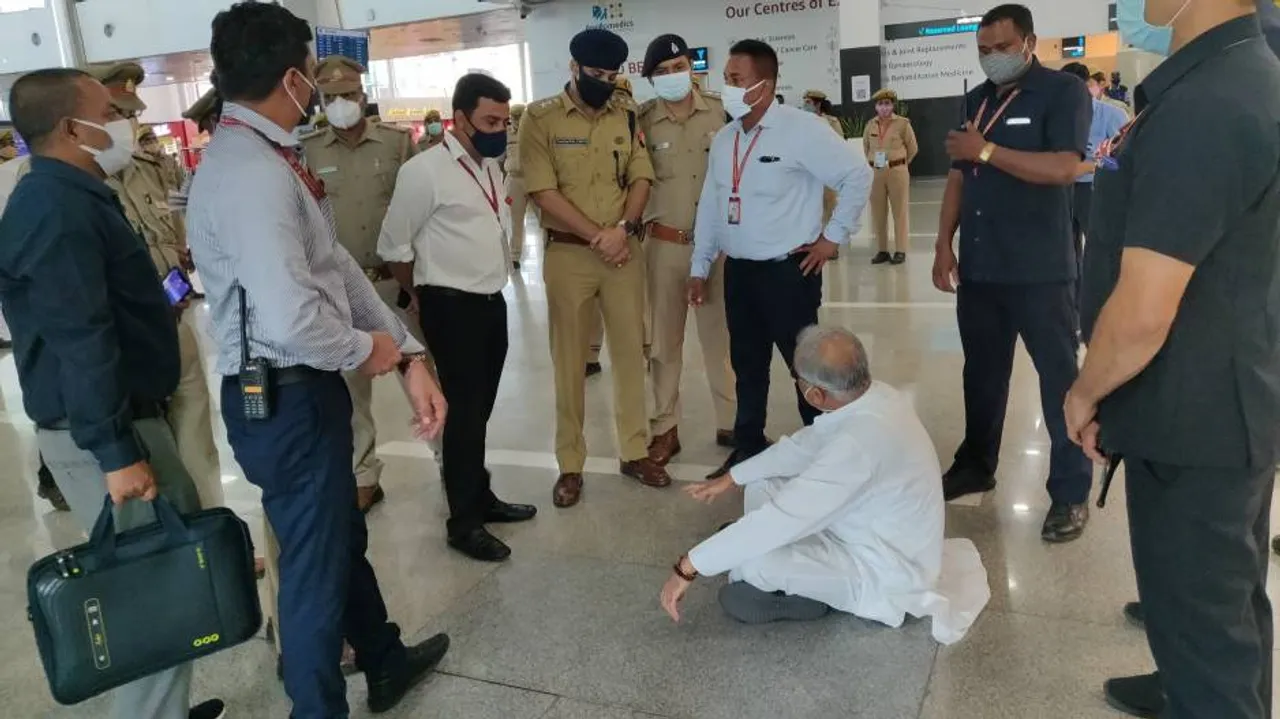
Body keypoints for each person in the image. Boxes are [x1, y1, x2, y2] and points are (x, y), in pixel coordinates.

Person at [186, 4, 450, 716]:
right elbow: (292, 317)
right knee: (311, 567)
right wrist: (375, 349)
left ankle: (385, 657)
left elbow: (332, 265)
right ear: (295, 77)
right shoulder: (251, 174)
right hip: (287, 395)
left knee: (333, 534)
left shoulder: (270, 156)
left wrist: (407, 349)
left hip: (298, 391)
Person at [1067, 2, 1280, 717]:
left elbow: (1145, 309)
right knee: (1226, 601)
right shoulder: (1236, 77)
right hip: (1220, 399)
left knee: (1207, 632)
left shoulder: (1209, 105)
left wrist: (1084, 391)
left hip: (1194, 417)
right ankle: (1184, 681)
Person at [0, 67, 224, 719]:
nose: (124, 122)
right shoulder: (55, 207)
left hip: (120, 415)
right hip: (102, 428)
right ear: (73, 127)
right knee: (153, 593)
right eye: (109, 110)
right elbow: (80, 334)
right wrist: (116, 449)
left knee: (164, 577)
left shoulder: (74, 192)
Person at [658, 326, 990, 640]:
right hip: (860, 527)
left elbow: (786, 515)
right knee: (763, 481)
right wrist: (733, 477)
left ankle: (811, 598)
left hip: (882, 568)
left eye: (796, 378)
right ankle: (752, 546)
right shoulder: (875, 396)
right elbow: (807, 445)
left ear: (815, 393)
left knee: (752, 567)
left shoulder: (859, 445)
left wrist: (686, 567)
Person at [933, 4, 1093, 542]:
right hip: (981, 269)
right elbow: (959, 176)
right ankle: (976, 463)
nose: (992, 58)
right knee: (981, 374)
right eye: (983, 50)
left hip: (1041, 272)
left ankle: (1069, 493)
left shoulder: (1061, 93)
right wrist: (942, 245)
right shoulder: (975, 99)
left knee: (1058, 380)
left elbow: (1065, 168)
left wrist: (989, 150)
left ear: (1028, 42)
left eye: (1001, 48)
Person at [691, 39, 870, 480]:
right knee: (747, 365)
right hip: (740, 273)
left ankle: (822, 452)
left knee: (805, 368)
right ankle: (748, 443)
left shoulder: (801, 129)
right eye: (726, 78)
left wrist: (831, 239)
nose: (727, 87)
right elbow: (712, 205)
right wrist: (700, 265)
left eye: (736, 80)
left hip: (788, 274)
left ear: (764, 85)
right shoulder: (726, 138)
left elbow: (856, 176)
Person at [379, 73, 537, 563]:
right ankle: (462, 522)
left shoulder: (491, 165)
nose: (499, 130)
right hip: (451, 306)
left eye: (504, 121)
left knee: (479, 411)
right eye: (490, 120)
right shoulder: (423, 172)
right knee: (462, 416)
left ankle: (479, 494)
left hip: (490, 302)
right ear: (460, 118)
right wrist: (420, 292)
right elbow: (393, 247)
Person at [520, 27, 673, 508]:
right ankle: (570, 464)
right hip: (569, 255)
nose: (603, 82)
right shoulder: (539, 119)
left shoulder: (626, 115)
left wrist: (622, 229)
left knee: (630, 355)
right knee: (570, 362)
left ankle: (634, 451)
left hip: (623, 252)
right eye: (595, 74)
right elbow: (543, 192)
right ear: (573, 68)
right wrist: (597, 236)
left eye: (611, 75)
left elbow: (641, 175)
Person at [85, 63, 227, 513]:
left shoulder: (151, 167)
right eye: (114, 115)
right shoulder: (78, 184)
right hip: (126, 335)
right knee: (149, 444)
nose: (126, 126)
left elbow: (173, 234)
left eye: (130, 115)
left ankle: (211, 529)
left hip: (176, 319)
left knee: (195, 433)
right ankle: (173, 545)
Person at [300, 54, 422, 513]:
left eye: (348, 95)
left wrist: (418, 285)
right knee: (351, 394)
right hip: (341, 292)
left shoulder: (394, 143)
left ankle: (451, 463)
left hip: (395, 282)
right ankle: (364, 475)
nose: (340, 104)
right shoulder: (308, 150)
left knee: (421, 374)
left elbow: (416, 212)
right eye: (330, 97)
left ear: (363, 94)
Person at [636, 34, 737, 465]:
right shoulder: (640, 122)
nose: (672, 77)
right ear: (651, 79)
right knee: (663, 343)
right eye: (662, 72)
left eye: (678, 68)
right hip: (664, 248)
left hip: (718, 250)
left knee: (723, 338)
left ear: (691, 69)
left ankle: (732, 422)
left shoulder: (723, 110)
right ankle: (665, 428)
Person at [1060, 61, 1127, 316]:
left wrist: (1091, 164)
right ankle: (1076, 310)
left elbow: (1122, 159)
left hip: (1096, 192)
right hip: (1064, 191)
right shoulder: (1058, 117)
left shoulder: (1112, 115)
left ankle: (1109, 307)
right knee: (1068, 254)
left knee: (1101, 252)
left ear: (1089, 86)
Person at [863, 88, 918, 265]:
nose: (884, 108)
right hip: (876, 172)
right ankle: (882, 250)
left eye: (887, 104)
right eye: (880, 104)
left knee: (899, 211)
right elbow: (866, 148)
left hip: (897, 171)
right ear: (876, 107)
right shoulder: (870, 125)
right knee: (878, 213)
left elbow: (913, 148)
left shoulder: (903, 124)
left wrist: (900, 164)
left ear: (892, 105)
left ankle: (900, 250)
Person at [505, 102, 530, 269]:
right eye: (514, 116)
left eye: (519, 116)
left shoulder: (534, 131)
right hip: (514, 179)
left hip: (533, 178)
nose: (516, 119)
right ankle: (514, 256)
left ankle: (549, 251)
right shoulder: (506, 134)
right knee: (515, 220)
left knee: (545, 219)